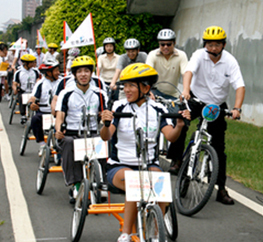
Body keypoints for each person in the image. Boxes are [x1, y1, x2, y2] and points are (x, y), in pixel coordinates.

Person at [100, 63, 190, 242]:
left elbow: (171, 137)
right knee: (136, 182)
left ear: (146, 88)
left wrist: (179, 125)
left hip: (148, 164)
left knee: (161, 184)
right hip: (119, 166)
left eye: (131, 85)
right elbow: (106, 136)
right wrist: (105, 124)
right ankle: (126, 233)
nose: (126, 90)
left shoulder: (158, 109)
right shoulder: (119, 106)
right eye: (124, 86)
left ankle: (156, 231)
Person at [180, 26, 245, 205]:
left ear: (223, 45)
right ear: (205, 45)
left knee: (218, 147)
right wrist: (186, 90)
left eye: (217, 45)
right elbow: (189, 72)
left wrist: (237, 108)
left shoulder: (230, 61)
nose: (213, 48)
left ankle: (221, 189)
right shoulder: (199, 55)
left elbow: (239, 86)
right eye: (210, 44)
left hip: (216, 106)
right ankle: (178, 161)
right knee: (180, 122)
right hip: (196, 99)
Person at [55, 56, 107, 203]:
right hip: (72, 133)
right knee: (70, 143)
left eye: (86, 71)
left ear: (91, 73)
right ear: (74, 75)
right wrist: (58, 130)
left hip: (92, 132)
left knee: (102, 143)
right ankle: (76, 184)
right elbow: (60, 116)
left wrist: (105, 119)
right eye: (79, 71)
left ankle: (101, 182)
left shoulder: (100, 94)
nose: (83, 74)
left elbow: (105, 114)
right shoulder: (66, 93)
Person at [146, 29, 188, 173]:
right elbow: (147, 72)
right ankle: (150, 156)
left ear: (174, 43)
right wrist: (148, 91)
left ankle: (176, 159)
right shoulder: (153, 55)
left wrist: (186, 90)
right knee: (153, 121)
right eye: (162, 44)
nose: (165, 47)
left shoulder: (181, 55)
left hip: (173, 95)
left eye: (168, 44)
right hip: (155, 92)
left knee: (182, 122)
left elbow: (186, 73)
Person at [29, 59, 60, 156]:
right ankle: (42, 144)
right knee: (35, 119)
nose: (58, 73)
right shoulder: (41, 83)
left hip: (59, 112)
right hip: (44, 112)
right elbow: (33, 98)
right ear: (48, 72)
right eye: (56, 71)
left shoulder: (62, 82)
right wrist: (32, 104)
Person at [12, 54, 40, 124]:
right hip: (23, 91)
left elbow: (38, 81)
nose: (33, 64)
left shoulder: (35, 71)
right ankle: (23, 114)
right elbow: (14, 83)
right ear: (26, 63)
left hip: (33, 92)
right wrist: (15, 89)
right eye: (31, 62)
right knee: (21, 97)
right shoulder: (19, 72)